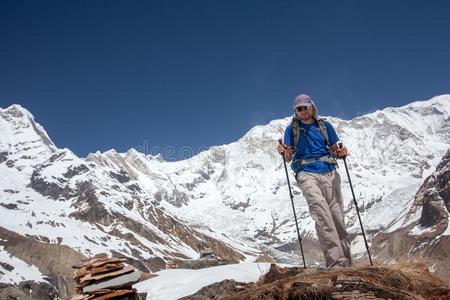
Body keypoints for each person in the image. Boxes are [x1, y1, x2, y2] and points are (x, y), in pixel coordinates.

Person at [277, 94, 351, 268]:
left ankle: (348, 264)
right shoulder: (292, 129)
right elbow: (288, 156)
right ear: (295, 111)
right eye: (299, 109)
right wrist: (283, 150)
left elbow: (335, 150)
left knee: (337, 218)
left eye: (305, 107)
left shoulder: (325, 126)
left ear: (312, 107)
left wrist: (342, 152)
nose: (303, 111)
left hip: (330, 172)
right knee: (322, 215)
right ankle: (336, 262)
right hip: (306, 173)